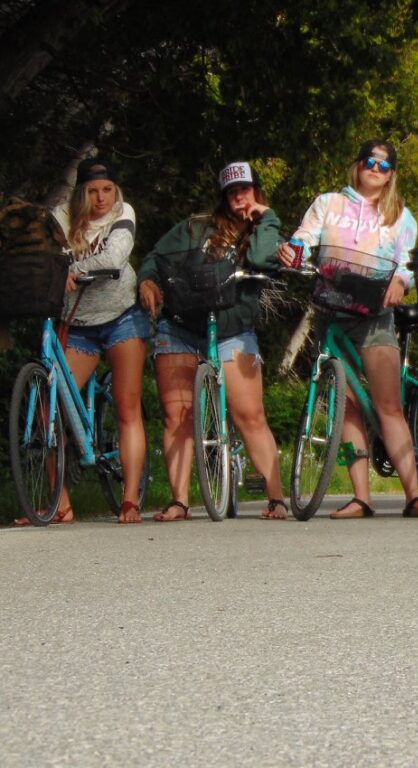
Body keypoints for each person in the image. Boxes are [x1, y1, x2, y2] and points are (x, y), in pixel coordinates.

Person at [279, 140, 418, 518]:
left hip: (375, 316)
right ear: (357, 164)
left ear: (391, 174)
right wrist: (292, 250)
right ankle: (361, 496)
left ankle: (415, 495)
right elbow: (305, 237)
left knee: (388, 407)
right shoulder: (329, 203)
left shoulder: (400, 215)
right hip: (332, 311)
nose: (375, 170)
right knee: (344, 409)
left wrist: (402, 281)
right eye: (370, 162)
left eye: (384, 166)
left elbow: (408, 262)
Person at [136, 161, 287, 521]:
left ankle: (276, 498)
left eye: (246, 190)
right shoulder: (194, 227)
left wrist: (266, 217)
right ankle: (179, 500)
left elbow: (264, 259)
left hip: (233, 330)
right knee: (177, 415)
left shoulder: (267, 231)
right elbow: (156, 258)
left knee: (249, 414)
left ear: (258, 192)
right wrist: (147, 280)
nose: (239, 196)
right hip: (181, 326)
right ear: (223, 197)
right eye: (232, 192)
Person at [14, 158, 149, 526]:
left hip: (122, 317)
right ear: (80, 193)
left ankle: (130, 499)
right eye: (92, 191)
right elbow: (39, 252)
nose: (101, 198)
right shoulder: (60, 217)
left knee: (127, 406)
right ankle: (61, 504)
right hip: (79, 324)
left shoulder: (123, 213)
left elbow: (116, 255)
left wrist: (69, 269)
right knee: (49, 410)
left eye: (107, 190)